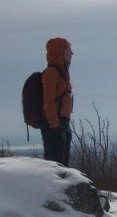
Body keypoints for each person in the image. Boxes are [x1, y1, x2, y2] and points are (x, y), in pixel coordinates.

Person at [41, 37, 74, 166]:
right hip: (53, 125)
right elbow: (48, 101)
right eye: (68, 51)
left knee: (64, 164)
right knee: (55, 165)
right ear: (60, 53)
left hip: (63, 123)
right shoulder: (51, 73)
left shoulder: (63, 74)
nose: (71, 54)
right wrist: (54, 124)